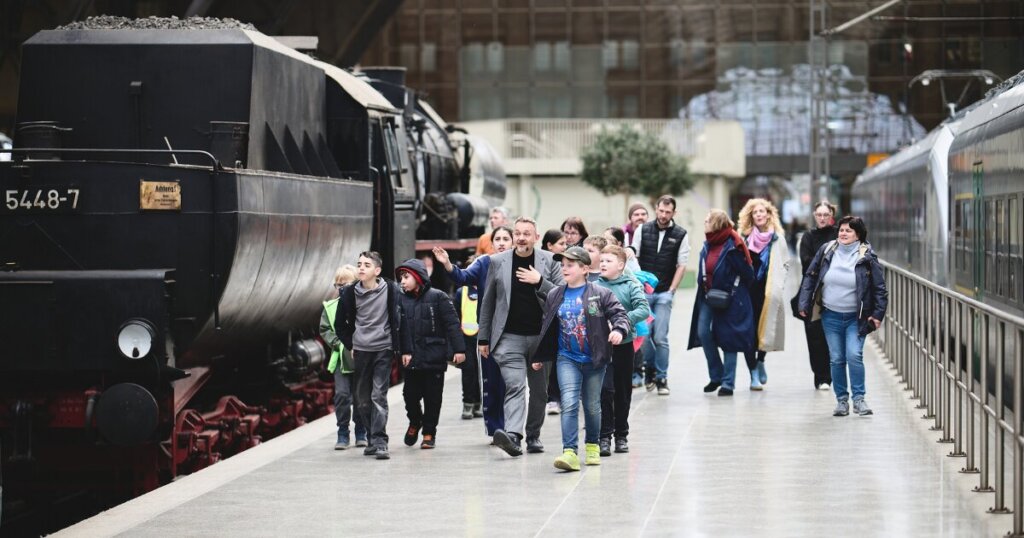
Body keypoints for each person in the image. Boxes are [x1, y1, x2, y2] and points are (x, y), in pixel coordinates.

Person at [531, 246, 630, 471]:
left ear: (585, 268)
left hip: (594, 359)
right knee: (569, 403)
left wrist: (619, 330)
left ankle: (593, 445)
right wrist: (540, 355)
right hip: (567, 358)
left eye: (571, 265)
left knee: (592, 406)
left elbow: (619, 314)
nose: (565, 269)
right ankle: (569, 452)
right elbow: (547, 326)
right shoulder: (556, 294)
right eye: (563, 265)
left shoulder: (600, 293)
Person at [478, 217, 565, 457]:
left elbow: (560, 295)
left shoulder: (549, 261)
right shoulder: (497, 261)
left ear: (536, 237)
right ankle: (513, 436)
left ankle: (533, 435)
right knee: (515, 385)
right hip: (509, 338)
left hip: (540, 337)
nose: (521, 237)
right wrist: (483, 338)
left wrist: (540, 281)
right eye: (518, 233)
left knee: (539, 392)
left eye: (527, 233)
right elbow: (488, 303)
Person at [799, 216, 888, 417]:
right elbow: (811, 277)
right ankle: (841, 401)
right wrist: (804, 303)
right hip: (830, 315)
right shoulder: (827, 250)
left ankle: (859, 399)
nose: (843, 234)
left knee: (854, 355)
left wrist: (877, 314)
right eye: (841, 230)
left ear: (858, 235)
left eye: (848, 231)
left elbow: (879, 288)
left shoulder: (867, 256)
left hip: (857, 318)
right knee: (837, 358)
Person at [433, 226, 514, 437]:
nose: (502, 242)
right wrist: (448, 264)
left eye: (506, 238)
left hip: (515, 331)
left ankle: (512, 428)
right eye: (498, 238)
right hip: (488, 333)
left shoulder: (520, 263)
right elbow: (462, 277)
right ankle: (495, 428)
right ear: (492, 242)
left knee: (512, 383)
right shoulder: (484, 262)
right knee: (491, 381)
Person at [334, 251, 402, 460]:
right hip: (361, 350)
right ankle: (372, 439)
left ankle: (381, 442)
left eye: (366, 265)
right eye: (359, 264)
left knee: (378, 395)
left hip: (383, 348)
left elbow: (400, 318)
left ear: (377, 270)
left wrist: (399, 347)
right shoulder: (349, 293)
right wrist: (351, 343)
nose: (361, 268)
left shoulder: (390, 289)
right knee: (361, 399)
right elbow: (339, 325)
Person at [395, 259, 466, 449]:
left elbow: (452, 324)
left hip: (434, 356)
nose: (402, 281)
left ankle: (428, 433)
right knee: (409, 395)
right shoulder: (400, 300)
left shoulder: (438, 297)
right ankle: (415, 421)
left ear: (418, 277)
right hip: (411, 358)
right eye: (401, 277)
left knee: (433, 398)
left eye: (406, 277)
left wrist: (458, 350)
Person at [687, 210, 756, 397]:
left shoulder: (733, 246)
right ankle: (716, 375)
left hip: (731, 299)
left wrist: (733, 291)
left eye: (708, 220)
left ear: (716, 223)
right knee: (703, 332)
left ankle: (728, 383)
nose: (704, 222)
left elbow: (749, 274)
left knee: (729, 339)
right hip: (709, 297)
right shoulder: (709, 242)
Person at [631, 195, 690, 395]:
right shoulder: (642, 229)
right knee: (645, 336)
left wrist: (672, 290)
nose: (664, 215)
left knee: (660, 337)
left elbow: (682, 264)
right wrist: (638, 285)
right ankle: (650, 371)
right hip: (644, 293)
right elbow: (634, 256)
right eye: (661, 211)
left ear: (674, 213)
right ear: (656, 209)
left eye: (668, 212)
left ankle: (662, 377)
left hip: (665, 292)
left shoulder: (681, 234)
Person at [595, 245, 650, 455]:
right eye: (601, 261)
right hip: (601, 348)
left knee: (622, 391)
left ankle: (621, 435)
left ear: (620, 265)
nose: (602, 264)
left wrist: (622, 322)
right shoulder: (594, 286)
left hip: (624, 345)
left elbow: (643, 308)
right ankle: (604, 437)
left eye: (608, 261)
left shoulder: (630, 284)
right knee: (605, 390)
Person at [737, 198, 790, 391]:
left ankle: (760, 360)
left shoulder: (777, 239)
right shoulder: (743, 238)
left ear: (769, 215)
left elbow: (785, 264)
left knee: (764, 331)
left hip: (767, 293)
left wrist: (779, 284)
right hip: (746, 293)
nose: (759, 214)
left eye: (762, 211)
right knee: (748, 334)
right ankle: (753, 375)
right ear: (751, 216)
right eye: (755, 212)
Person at [320, 265, 367, 450]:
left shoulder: (364, 305)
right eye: (337, 285)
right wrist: (337, 343)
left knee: (360, 397)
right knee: (341, 395)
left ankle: (361, 431)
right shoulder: (330, 307)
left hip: (361, 358)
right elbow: (324, 329)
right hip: (341, 359)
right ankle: (342, 432)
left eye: (345, 284)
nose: (341, 288)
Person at [799, 201, 838, 390]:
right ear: (814, 215)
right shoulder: (808, 237)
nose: (822, 218)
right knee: (814, 334)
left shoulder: (840, 234)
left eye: (825, 214)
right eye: (819, 214)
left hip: (836, 291)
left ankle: (830, 375)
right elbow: (805, 262)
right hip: (814, 292)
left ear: (831, 215)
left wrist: (819, 262)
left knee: (832, 332)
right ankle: (820, 376)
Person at [542, 230, 567, 416]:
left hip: (559, 315)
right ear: (549, 245)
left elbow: (561, 290)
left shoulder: (561, 264)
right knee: (546, 361)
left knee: (558, 359)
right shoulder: (539, 262)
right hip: (541, 317)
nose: (564, 247)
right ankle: (551, 398)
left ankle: (557, 397)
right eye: (561, 244)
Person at [453, 278, 482, 420]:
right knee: (469, 370)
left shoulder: (489, 288)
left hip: (485, 338)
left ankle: (479, 403)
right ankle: (468, 403)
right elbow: (454, 318)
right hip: (466, 339)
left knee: (482, 373)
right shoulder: (461, 292)